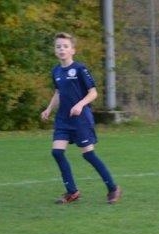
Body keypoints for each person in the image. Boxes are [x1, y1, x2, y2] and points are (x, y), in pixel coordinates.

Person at [40, 32, 122, 205]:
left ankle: (113, 188)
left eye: (65, 46)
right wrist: (48, 109)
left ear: (73, 50)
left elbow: (93, 93)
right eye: (58, 46)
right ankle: (72, 192)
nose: (62, 49)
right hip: (63, 119)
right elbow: (58, 93)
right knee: (57, 152)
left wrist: (79, 105)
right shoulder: (56, 71)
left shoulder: (80, 69)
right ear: (55, 50)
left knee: (89, 155)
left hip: (80, 120)